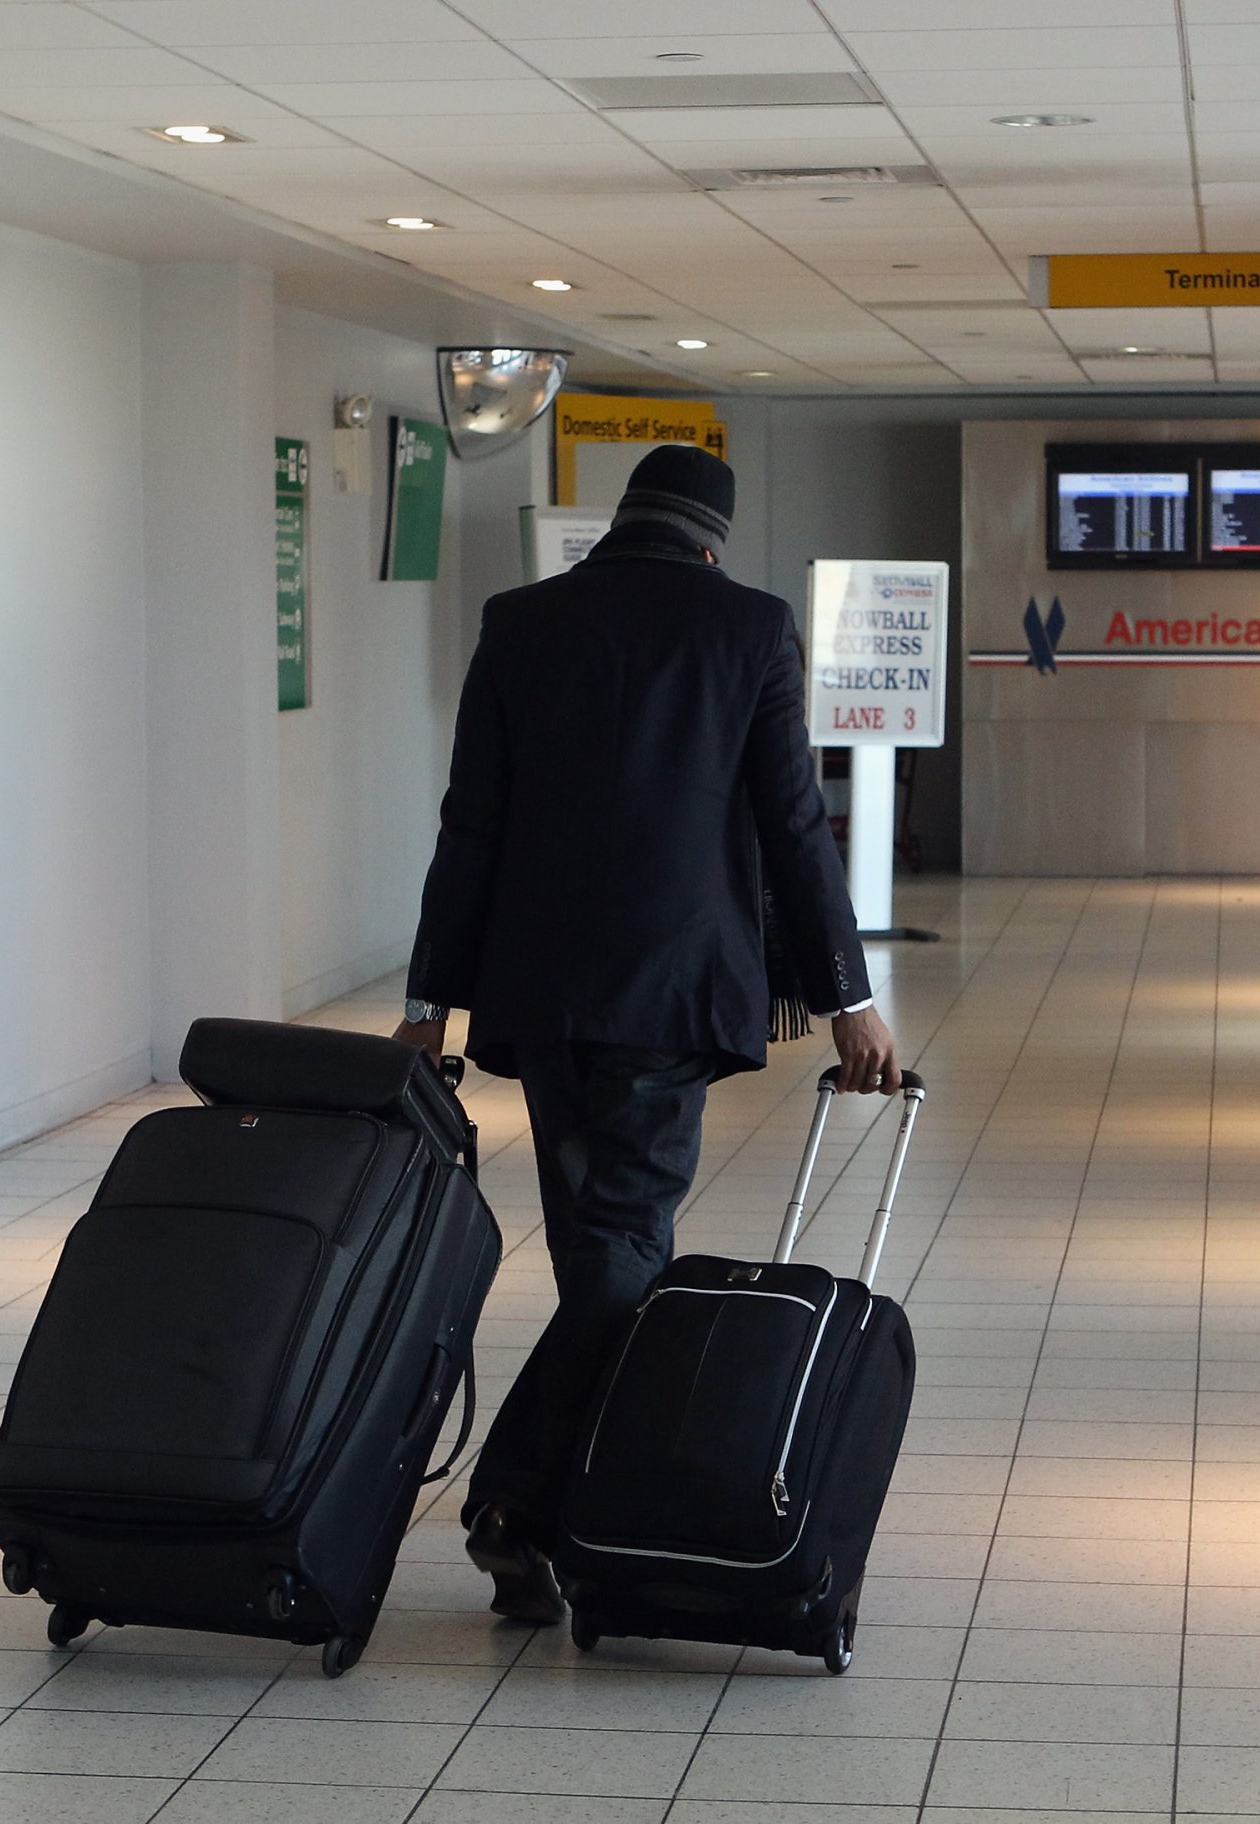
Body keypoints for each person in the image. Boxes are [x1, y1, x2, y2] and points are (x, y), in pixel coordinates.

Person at [391, 444, 899, 1625]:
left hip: (540, 996)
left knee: (599, 1246)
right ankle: (513, 1504)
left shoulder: (520, 621)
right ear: (711, 539)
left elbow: (470, 827)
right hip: (670, 998)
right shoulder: (749, 629)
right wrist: (847, 998)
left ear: (621, 522)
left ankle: (574, 1517)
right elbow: (793, 827)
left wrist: (428, 1008)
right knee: (622, 1258)